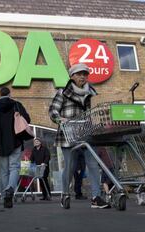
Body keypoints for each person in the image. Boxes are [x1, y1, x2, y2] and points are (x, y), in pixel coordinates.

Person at [49, 63, 110, 209]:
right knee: (70, 166)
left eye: (85, 74)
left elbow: (99, 109)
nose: (82, 76)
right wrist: (59, 119)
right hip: (68, 134)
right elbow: (53, 110)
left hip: (89, 133)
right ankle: (65, 194)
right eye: (79, 74)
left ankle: (96, 197)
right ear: (72, 76)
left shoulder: (93, 92)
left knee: (93, 165)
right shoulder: (63, 92)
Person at [0, 87, 30, 208]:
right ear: (9, 94)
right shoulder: (16, 104)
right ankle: (10, 190)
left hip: (0, 144)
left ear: (0, 94)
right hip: (15, 141)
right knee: (14, 167)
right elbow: (27, 119)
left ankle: (4, 196)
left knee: (3, 171)